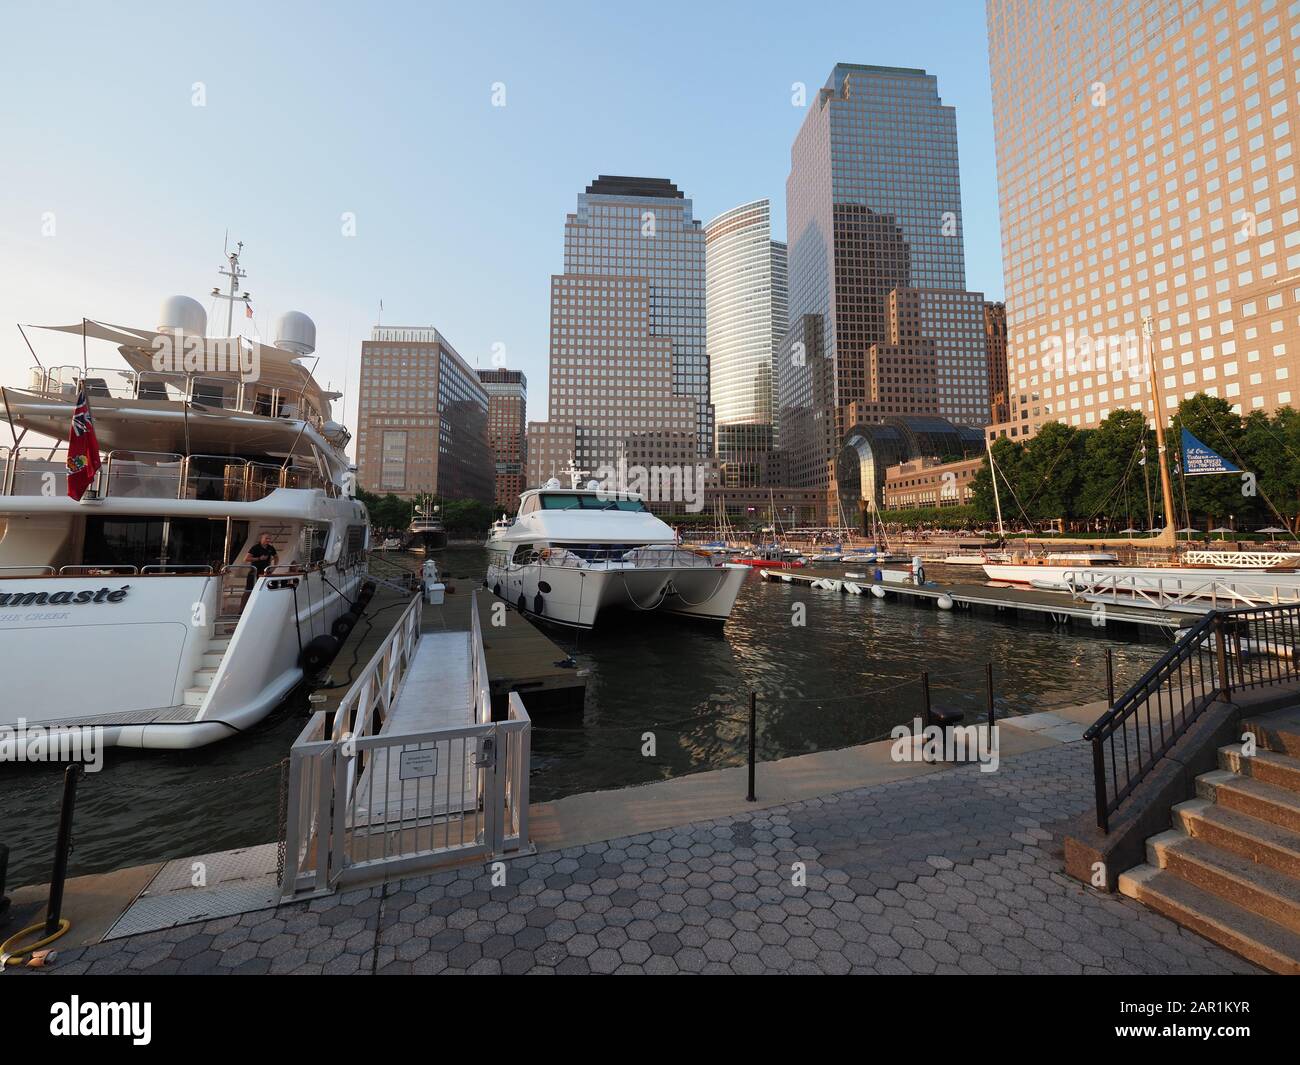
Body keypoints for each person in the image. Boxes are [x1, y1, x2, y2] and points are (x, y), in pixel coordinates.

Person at [241, 533, 279, 607]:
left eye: (269, 539)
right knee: (248, 590)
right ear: (261, 539)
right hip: (254, 572)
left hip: (265, 573)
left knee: (264, 590)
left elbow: (276, 557)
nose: (268, 540)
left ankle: (260, 606)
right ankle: (241, 610)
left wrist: (274, 567)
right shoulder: (255, 547)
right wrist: (259, 558)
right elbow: (246, 559)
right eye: (266, 538)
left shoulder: (270, 548)